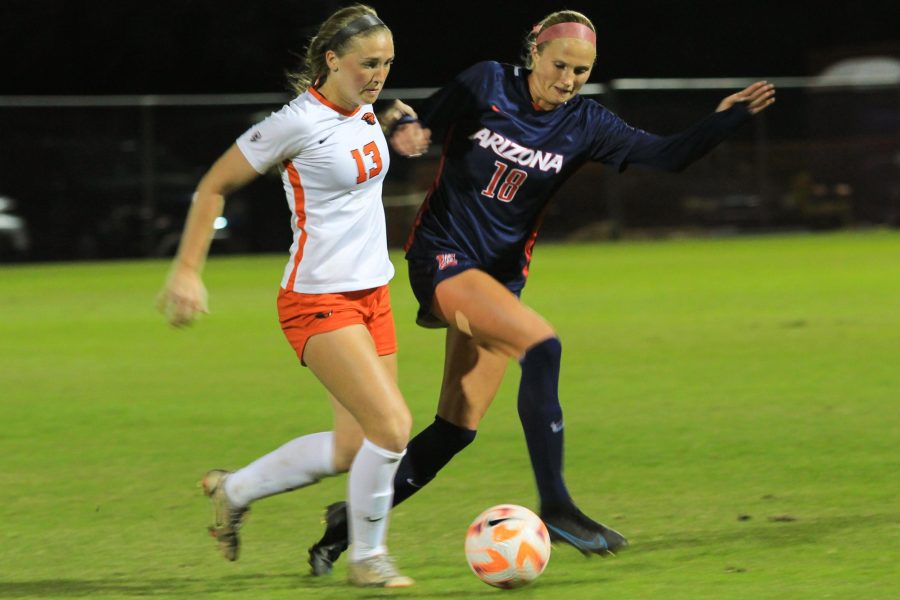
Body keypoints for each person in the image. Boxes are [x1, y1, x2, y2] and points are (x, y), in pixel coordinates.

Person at [306, 9, 776, 573]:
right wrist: (401, 124)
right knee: (542, 346)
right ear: (534, 51)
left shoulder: (587, 123)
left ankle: (343, 526)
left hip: (497, 282)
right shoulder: (485, 84)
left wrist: (723, 121)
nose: (569, 80)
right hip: (441, 259)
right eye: (560, 65)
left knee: (456, 429)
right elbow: (418, 115)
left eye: (581, 71)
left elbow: (666, 156)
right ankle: (556, 506)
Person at [157, 4, 427, 588]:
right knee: (393, 428)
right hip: (318, 299)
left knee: (354, 447)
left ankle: (233, 491)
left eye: (386, 64)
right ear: (332, 60)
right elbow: (214, 185)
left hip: (373, 295)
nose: (378, 75)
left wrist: (398, 119)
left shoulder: (364, 108)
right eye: (366, 64)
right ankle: (368, 559)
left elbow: (376, 116)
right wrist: (186, 270)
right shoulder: (294, 122)